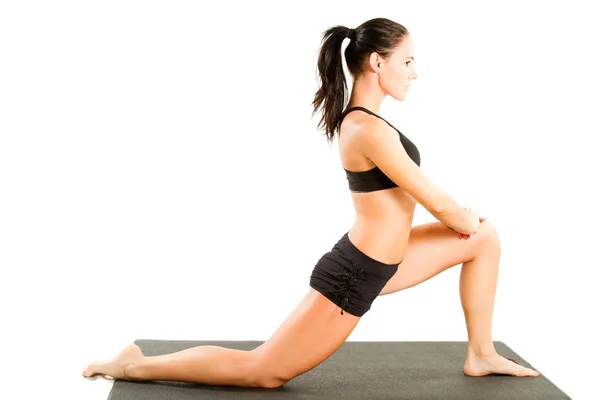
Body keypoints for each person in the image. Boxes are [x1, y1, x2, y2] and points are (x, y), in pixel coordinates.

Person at [82, 17, 540, 388]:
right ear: (378, 63)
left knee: (485, 240)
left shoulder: (372, 124)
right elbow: (434, 199)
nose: (415, 72)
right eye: (408, 61)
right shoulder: (366, 129)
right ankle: (133, 365)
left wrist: (467, 222)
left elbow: (434, 204)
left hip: (391, 260)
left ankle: (480, 353)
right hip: (355, 276)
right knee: (262, 370)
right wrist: (462, 216)